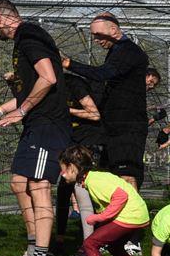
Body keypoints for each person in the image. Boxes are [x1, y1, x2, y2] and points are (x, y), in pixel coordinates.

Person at [0, 0, 70, 256]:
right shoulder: (24, 41)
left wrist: (22, 110)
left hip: (48, 124)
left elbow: (48, 78)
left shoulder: (29, 35)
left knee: (39, 185)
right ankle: (32, 252)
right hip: (35, 123)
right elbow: (30, 89)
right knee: (18, 183)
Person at [62, 12, 150, 190]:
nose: (96, 40)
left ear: (114, 30)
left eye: (99, 35)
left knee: (126, 174)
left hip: (128, 127)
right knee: (113, 173)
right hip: (114, 127)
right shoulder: (116, 51)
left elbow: (102, 74)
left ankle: (132, 208)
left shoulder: (129, 51)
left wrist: (69, 64)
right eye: (94, 36)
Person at [58, 145, 152, 256]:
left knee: (90, 243)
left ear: (73, 167)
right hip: (137, 215)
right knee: (114, 245)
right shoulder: (92, 179)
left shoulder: (95, 180)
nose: (62, 174)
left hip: (131, 215)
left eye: (63, 169)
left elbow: (121, 196)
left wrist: (100, 217)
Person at [58, 74, 103, 256]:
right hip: (68, 142)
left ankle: (89, 243)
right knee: (63, 191)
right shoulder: (47, 85)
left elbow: (94, 114)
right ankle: (59, 240)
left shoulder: (73, 83)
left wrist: (67, 110)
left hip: (87, 142)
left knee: (82, 189)